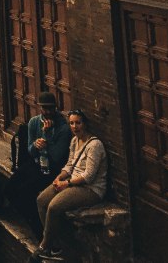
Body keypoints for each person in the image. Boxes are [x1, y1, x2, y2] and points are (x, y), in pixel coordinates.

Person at [32, 110, 108, 261]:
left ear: (85, 124)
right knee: (41, 200)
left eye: (78, 122)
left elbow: (89, 176)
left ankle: (45, 245)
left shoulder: (95, 145)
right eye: (71, 123)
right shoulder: (74, 141)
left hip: (90, 189)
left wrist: (66, 184)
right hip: (72, 182)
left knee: (54, 207)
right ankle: (56, 246)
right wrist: (59, 177)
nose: (75, 126)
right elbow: (70, 165)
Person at [10, 93, 71, 234]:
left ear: (55, 108)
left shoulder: (63, 128)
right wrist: (35, 146)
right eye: (45, 109)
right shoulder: (34, 122)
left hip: (53, 169)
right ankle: (32, 220)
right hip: (36, 163)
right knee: (10, 188)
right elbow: (30, 151)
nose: (48, 112)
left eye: (51, 108)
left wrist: (46, 135)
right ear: (40, 108)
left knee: (26, 192)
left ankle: (40, 232)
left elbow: (56, 156)